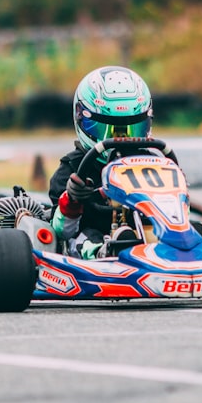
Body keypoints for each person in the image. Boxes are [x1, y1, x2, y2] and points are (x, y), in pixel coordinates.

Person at [48, 65, 159, 260]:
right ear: (82, 118)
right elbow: (63, 232)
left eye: (131, 128)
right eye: (107, 129)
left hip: (149, 234)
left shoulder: (155, 163)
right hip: (93, 240)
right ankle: (106, 252)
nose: (120, 139)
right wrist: (72, 200)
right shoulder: (72, 169)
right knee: (86, 239)